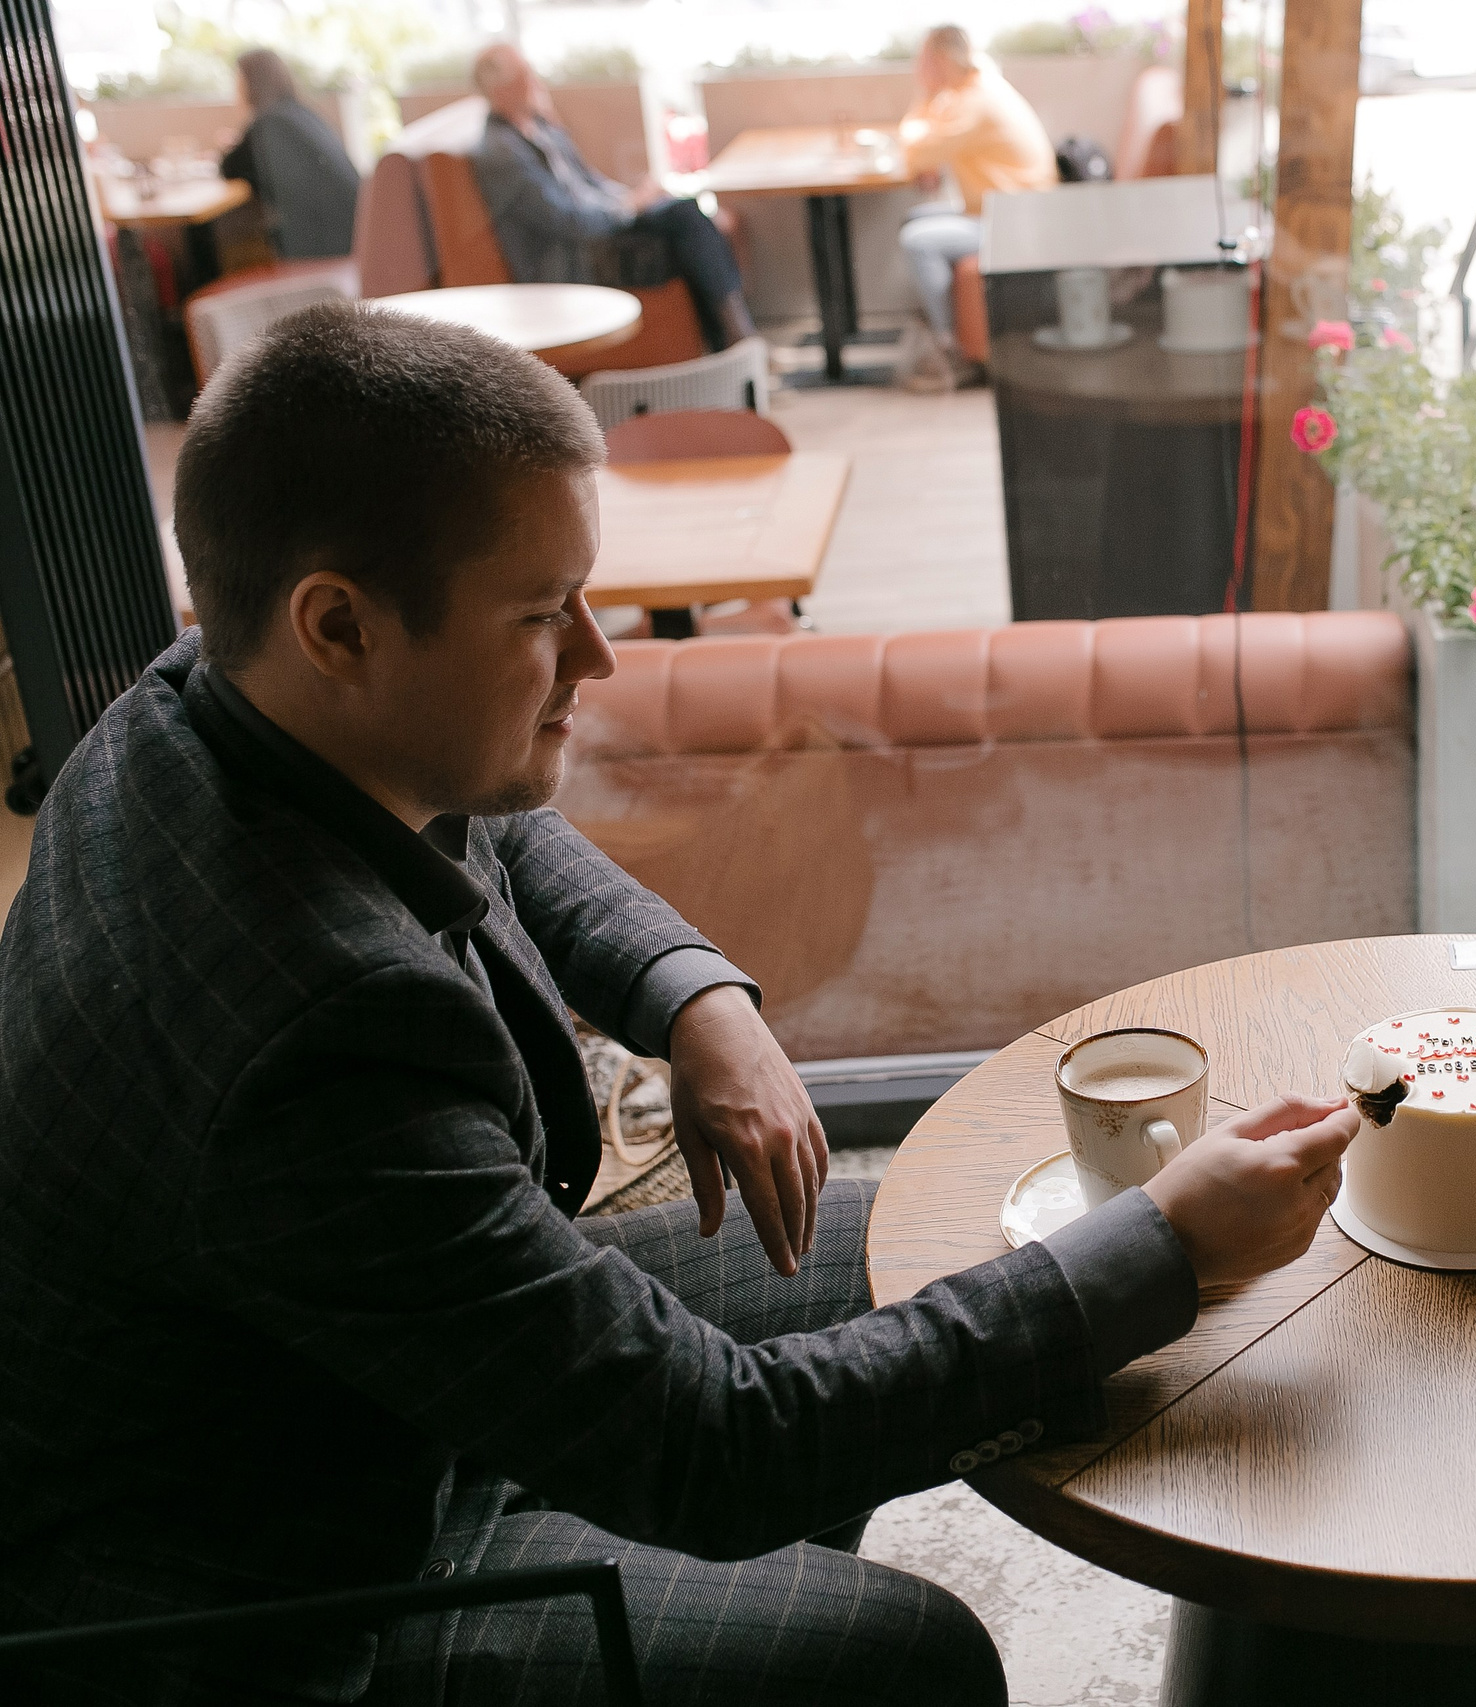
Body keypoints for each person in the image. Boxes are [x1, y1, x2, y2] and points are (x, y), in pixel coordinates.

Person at [0, 302, 1358, 1705]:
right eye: (541, 614)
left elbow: (487, 812)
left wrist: (693, 991)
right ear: (339, 622)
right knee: (906, 1658)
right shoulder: (302, 1028)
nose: (596, 657)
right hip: (288, 1578)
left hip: (352, 1385)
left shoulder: (200, 699)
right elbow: (715, 1450)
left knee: (895, 1233)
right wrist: (1170, 1247)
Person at [470, 43, 755, 353]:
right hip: (573, 257)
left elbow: (591, 182)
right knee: (689, 223)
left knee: (691, 224)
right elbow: (567, 221)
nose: (534, 81)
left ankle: (730, 347)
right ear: (500, 90)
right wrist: (628, 207)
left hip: (598, 232)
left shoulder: (538, 126)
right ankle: (739, 342)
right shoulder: (502, 152)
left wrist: (633, 198)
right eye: (524, 75)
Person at [894, 25, 1058, 391]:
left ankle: (952, 351)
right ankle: (943, 331)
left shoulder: (974, 101)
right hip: (1002, 208)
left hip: (1015, 219)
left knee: (917, 241)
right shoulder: (976, 86)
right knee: (917, 219)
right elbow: (930, 147)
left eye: (923, 60)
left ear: (937, 61)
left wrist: (923, 95)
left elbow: (915, 150)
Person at [219, 47, 358, 259]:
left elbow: (230, 167)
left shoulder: (268, 122)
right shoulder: (300, 113)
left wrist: (233, 144)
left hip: (323, 247)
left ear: (250, 84)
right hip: (351, 232)